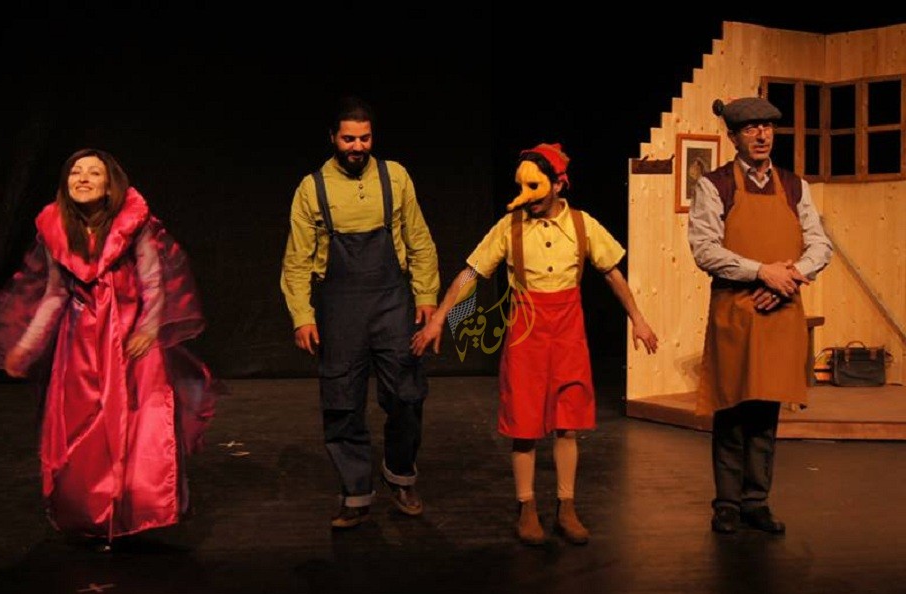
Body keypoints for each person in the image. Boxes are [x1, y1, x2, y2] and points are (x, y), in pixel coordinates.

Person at [0, 148, 218, 550]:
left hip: (129, 341)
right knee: (83, 432)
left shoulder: (134, 223)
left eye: (93, 173)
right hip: (81, 343)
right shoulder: (56, 228)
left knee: (136, 425)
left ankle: (133, 513)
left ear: (109, 185)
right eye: (75, 172)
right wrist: (26, 346)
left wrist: (147, 329)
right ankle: (91, 515)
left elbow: (153, 282)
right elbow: (54, 294)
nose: (83, 178)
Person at [412, 143, 659, 546]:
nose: (527, 197)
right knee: (524, 424)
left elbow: (612, 273)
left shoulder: (582, 224)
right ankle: (526, 507)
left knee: (567, 423)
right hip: (526, 334)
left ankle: (566, 505)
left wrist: (638, 318)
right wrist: (441, 317)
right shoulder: (510, 227)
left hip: (568, 332)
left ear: (559, 184)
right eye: (522, 188)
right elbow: (471, 274)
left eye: (535, 188)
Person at [280, 96, 440, 529]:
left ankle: (400, 475)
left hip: (392, 301)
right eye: (349, 138)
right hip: (340, 305)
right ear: (333, 137)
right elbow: (297, 260)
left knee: (407, 394)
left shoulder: (395, 177)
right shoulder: (312, 188)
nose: (357, 146)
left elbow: (420, 240)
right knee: (342, 401)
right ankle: (355, 493)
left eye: (365, 138)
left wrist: (426, 295)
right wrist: (302, 315)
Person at [687, 97, 833, 535]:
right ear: (733, 137)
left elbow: (820, 245)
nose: (761, 135)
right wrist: (761, 272)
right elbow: (705, 249)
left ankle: (756, 501)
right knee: (732, 408)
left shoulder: (794, 185)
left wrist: (790, 276)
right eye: (750, 128)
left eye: (767, 127)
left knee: (766, 411)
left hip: (780, 307)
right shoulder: (714, 185)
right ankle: (727, 503)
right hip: (736, 308)